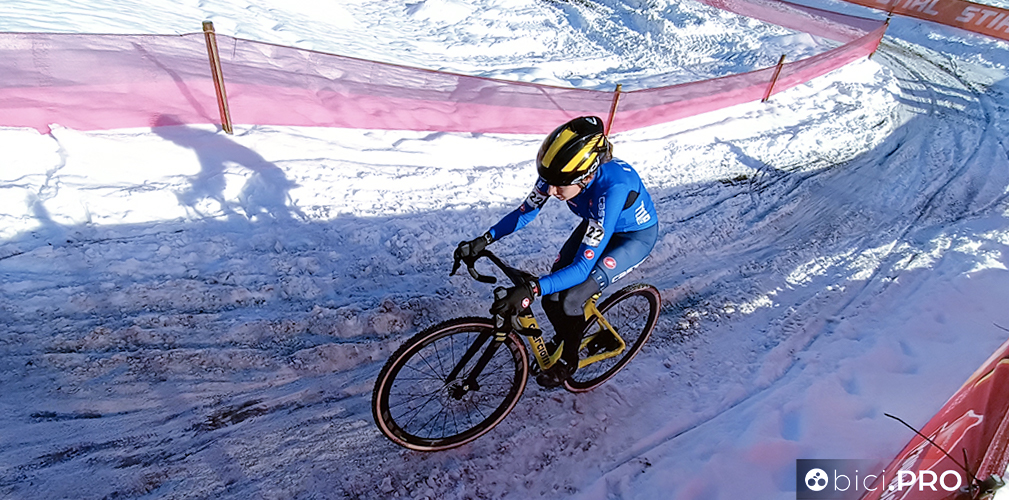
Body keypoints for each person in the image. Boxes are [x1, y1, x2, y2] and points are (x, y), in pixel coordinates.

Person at [455, 115, 659, 388]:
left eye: (559, 185)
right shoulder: (559, 174)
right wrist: (485, 239)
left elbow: (581, 269)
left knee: (571, 297)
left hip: (632, 239)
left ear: (586, 176)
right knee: (552, 297)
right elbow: (525, 212)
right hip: (598, 223)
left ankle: (569, 361)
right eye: (547, 181)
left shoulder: (611, 191)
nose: (550, 190)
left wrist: (532, 289)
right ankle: (568, 335)